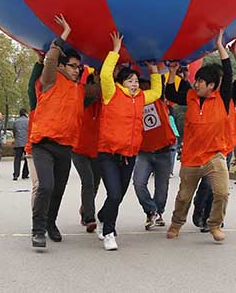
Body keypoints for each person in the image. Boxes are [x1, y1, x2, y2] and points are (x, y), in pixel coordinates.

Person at [166, 29, 236, 242]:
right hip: (192, 157)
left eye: (200, 81)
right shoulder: (191, 96)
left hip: (215, 155)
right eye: (196, 80)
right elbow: (171, 94)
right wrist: (172, 73)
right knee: (184, 197)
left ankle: (214, 224)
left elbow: (234, 75)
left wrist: (223, 48)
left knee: (221, 193)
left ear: (211, 85)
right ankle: (176, 223)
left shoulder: (223, 97)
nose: (196, 83)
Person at [95, 34, 161, 251]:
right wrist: (115, 49)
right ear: (121, 83)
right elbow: (105, 74)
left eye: (135, 80)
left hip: (129, 155)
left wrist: (153, 71)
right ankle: (108, 233)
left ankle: (103, 216)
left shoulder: (141, 97)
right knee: (114, 193)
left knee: (118, 195)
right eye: (130, 80)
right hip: (108, 154)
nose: (134, 83)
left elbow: (157, 92)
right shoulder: (111, 93)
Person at [29, 15, 84, 251]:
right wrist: (64, 35)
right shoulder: (50, 79)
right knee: (46, 186)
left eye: (79, 68)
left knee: (59, 189)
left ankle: (51, 223)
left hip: (65, 147)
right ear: (62, 66)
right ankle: (38, 230)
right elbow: (51, 59)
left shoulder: (80, 90)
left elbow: (103, 85)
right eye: (73, 66)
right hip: (43, 144)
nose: (77, 71)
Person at [133, 71, 177, 230]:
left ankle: (157, 212)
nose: (143, 87)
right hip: (143, 152)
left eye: (147, 84)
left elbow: (161, 85)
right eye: (140, 83)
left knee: (161, 188)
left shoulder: (158, 97)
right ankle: (152, 211)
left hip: (163, 151)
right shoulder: (133, 101)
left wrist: (155, 69)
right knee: (138, 183)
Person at [71, 65, 102, 234]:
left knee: (95, 183)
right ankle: (89, 217)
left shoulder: (103, 101)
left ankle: (85, 208)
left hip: (97, 150)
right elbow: (90, 96)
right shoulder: (82, 99)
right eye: (94, 86)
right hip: (78, 149)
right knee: (88, 181)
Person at [12, 109, 29, 181]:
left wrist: (16, 139)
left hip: (18, 143)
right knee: (27, 159)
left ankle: (16, 174)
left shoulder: (15, 122)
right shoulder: (29, 121)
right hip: (27, 143)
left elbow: (14, 132)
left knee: (17, 159)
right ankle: (25, 174)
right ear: (25, 113)